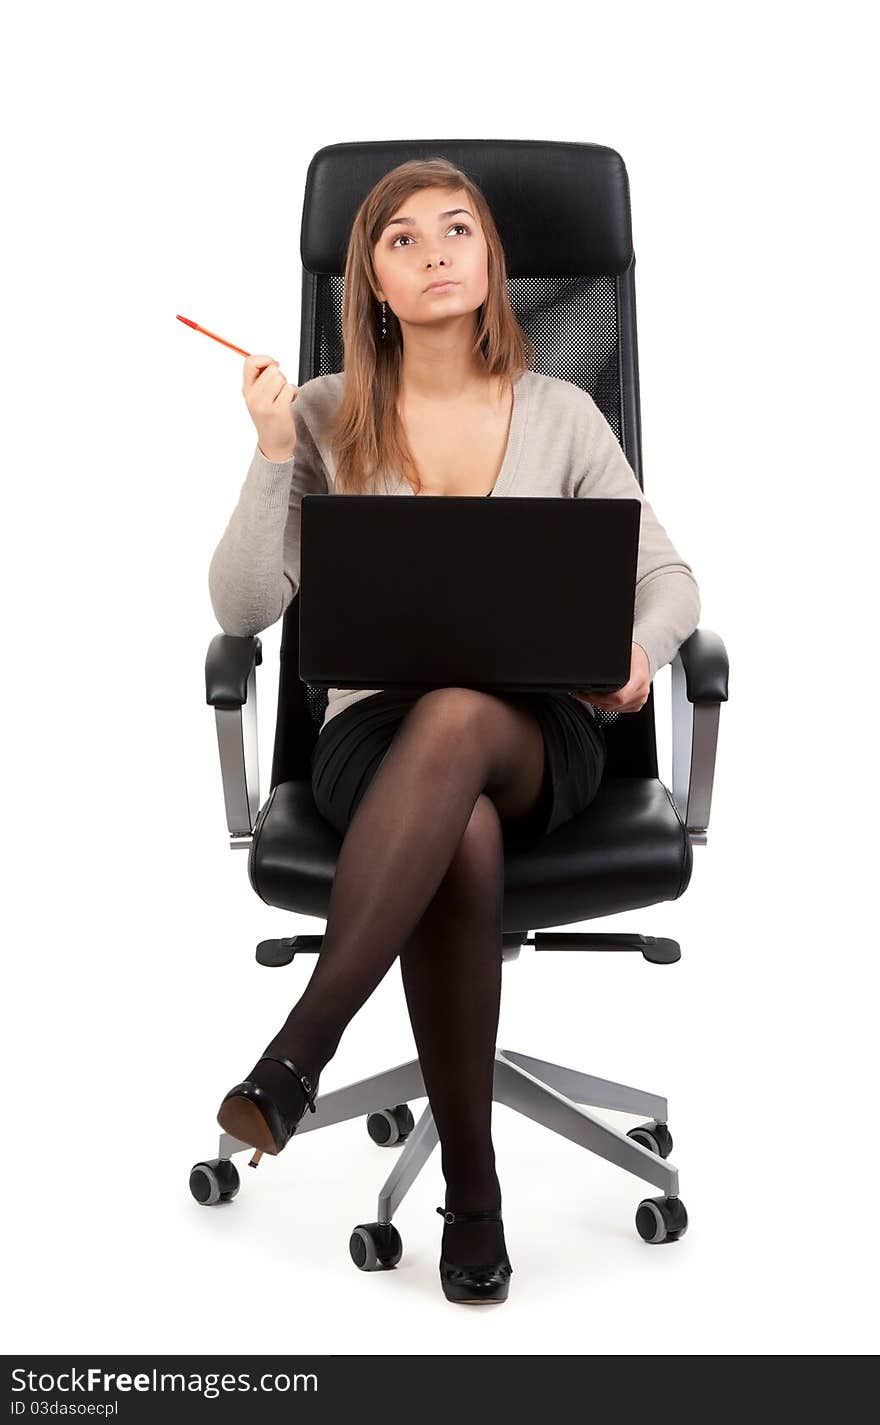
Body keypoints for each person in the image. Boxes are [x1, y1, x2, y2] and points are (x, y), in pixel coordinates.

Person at [208, 157, 701, 1304]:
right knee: (457, 824)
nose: (435, 254)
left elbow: (668, 577)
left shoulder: (561, 413)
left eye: (458, 231)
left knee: (469, 720)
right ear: (368, 281)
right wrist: (273, 454)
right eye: (401, 239)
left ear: (493, 265)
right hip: (369, 746)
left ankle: (299, 1052)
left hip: (540, 737)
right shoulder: (325, 415)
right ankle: (472, 1197)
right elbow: (240, 611)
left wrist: (637, 653)